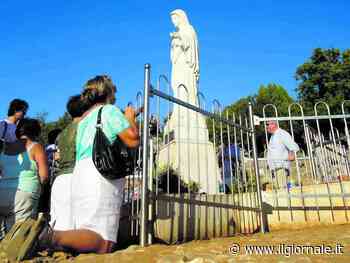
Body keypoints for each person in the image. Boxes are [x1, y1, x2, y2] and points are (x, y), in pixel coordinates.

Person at [39, 75, 139, 254]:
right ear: (108, 92)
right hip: (100, 175)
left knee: (86, 231)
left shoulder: (85, 119)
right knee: (103, 241)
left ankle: (48, 237)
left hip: (81, 173)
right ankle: (47, 237)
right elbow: (132, 140)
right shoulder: (108, 110)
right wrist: (130, 118)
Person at [0, 118, 48, 240]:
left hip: (2, 192)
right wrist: (42, 190)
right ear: (36, 132)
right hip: (25, 194)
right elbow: (44, 175)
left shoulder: (5, 148)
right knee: (18, 237)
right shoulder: (35, 147)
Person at [49, 95, 86, 231]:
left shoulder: (62, 133)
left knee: (59, 226)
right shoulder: (85, 128)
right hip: (75, 179)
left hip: (60, 180)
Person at [266, 120, 299, 189]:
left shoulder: (282, 133)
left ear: (274, 124)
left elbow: (293, 146)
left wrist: (292, 155)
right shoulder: (273, 136)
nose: (267, 127)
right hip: (275, 169)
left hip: (281, 168)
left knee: (282, 191)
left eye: (268, 124)